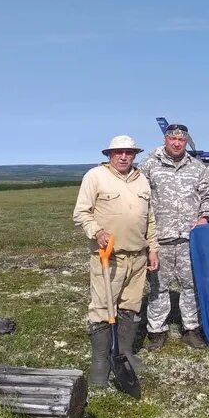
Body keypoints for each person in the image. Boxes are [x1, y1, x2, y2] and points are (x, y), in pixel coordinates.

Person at [73, 135, 159, 386]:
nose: (124, 157)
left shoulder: (142, 179)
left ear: (134, 155)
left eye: (129, 152)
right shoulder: (95, 176)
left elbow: (149, 218)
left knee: (131, 306)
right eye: (118, 152)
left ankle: (124, 352)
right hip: (108, 256)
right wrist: (97, 232)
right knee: (101, 308)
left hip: (138, 256)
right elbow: (81, 213)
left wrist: (152, 248)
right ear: (109, 155)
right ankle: (100, 360)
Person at [139, 123, 209, 351]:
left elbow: (208, 196)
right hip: (159, 238)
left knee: (191, 285)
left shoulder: (197, 167)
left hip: (189, 238)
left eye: (181, 140)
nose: (176, 143)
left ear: (186, 142)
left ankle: (191, 329)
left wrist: (204, 217)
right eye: (172, 139)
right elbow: (139, 198)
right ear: (165, 140)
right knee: (158, 287)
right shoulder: (149, 166)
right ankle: (157, 331)